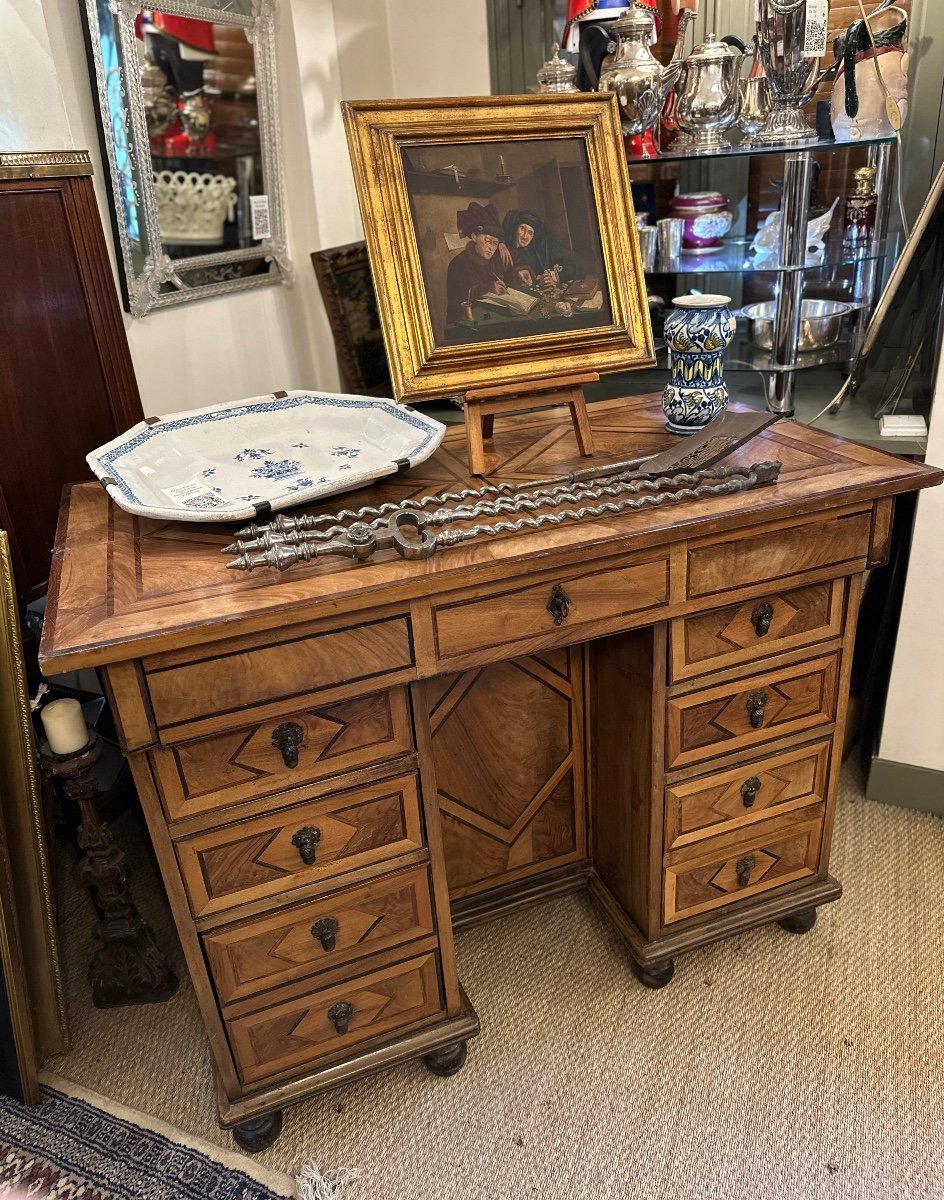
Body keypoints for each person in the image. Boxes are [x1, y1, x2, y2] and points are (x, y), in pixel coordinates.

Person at [445, 203, 517, 325]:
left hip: (491, 317)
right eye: (488, 241)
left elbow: (508, 278)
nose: (491, 248)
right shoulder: (459, 263)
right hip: (464, 323)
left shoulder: (495, 260)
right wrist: (488, 288)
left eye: (495, 243)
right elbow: (464, 294)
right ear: (474, 237)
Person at [501, 209, 586, 289]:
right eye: (522, 229)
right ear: (516, 229)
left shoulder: (544, 246)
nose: (525, 236)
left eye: (530, 232)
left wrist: (556, 276)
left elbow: (578, 262)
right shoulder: (504, 247)